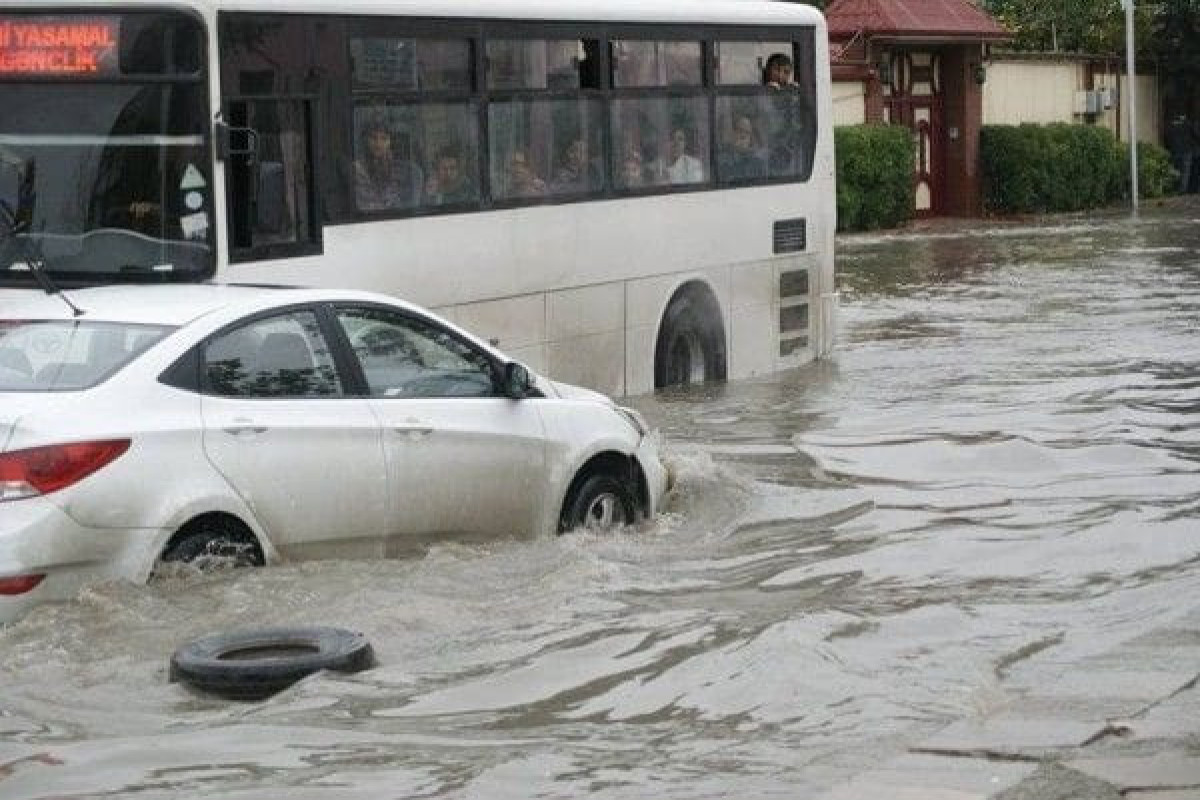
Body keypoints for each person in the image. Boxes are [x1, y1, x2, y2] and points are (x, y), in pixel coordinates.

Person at [353, 120, 422, 211]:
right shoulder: (358, 169)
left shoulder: (404, 169)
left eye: (384, 138)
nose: (378, 144)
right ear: (366, 140)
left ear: (390, 142)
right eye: (374, 138)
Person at [719, 114, 767, 182]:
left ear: (751, 137)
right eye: (740, 131)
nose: (743, 136)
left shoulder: (758, 164)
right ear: (733, 133)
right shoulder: (723, 162)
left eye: (747, 132)